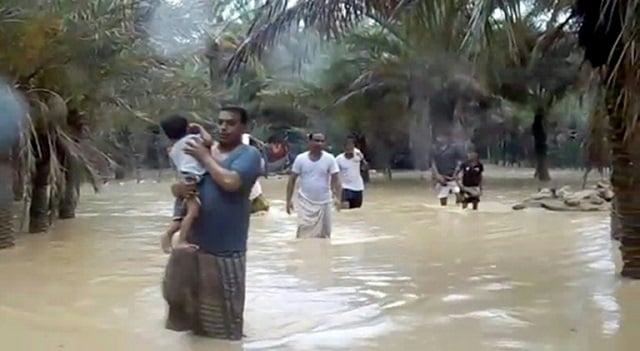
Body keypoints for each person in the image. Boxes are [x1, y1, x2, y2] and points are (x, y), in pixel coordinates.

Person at [162, 106, 262, 340]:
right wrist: (177, 189)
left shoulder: (248, 155)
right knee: (191, 321)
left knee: (225, 326)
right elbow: (180, 182)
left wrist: (205, 157)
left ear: (243, 127)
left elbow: (230, 182)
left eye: (231, 123)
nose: (224, 127)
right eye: (220, 122)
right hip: (195, 248)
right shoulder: (203, 149)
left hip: (226, 252)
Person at [160, 116, 212, 252]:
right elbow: (208, 141)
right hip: (191, 179)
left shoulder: (173, 149)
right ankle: (181, 240)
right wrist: (200, 128)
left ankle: (168, 236)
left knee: (180, 214)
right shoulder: (192, 140)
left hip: (183, 178)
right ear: (187, 128)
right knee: (193, 212)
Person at [285, 133, 341, 238]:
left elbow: (336, 179)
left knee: (325, 236)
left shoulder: (330, 159)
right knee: (303, 235)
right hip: (305, 203)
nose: (319, 143)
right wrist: (288, 201)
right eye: (316, 140)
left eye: (321, 141)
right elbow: (292, 179)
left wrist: (338, 198)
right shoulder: (300, 159)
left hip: (324, 202)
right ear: (309, 142)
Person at [431, 133, 466, 206]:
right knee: (442, 197)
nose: (440, 139)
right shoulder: (434, 149)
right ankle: (444, 212)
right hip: (441, 177)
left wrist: (459, 174)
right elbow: (432, 163)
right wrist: (437, 175)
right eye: (438, 137)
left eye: (441, 137)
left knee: (459, 194)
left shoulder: (454, 148)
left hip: (454, 176)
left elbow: (461, 161)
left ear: (447, 138)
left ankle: (459, 210)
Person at [335, 137, 366, 209]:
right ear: (344, 147)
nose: (349, 148)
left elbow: (364, 167)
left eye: (351, 145)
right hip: (345, 188)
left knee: (356, 210)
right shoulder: (338, 159)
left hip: (358, 187)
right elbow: (335, 175)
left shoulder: (358, 156)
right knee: (345, 208)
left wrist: (361, 159)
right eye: (347, 146)